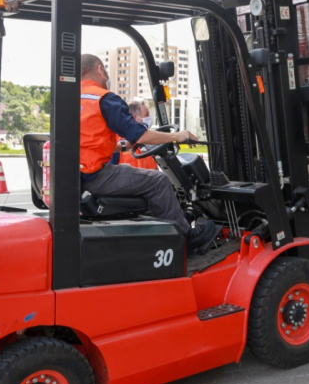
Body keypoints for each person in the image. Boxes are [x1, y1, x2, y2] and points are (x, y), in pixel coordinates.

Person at [79, 54, 217, 252]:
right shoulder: (104, 99)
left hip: (78, 175)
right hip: (94, 176)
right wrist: (176, 136)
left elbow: (87, 142)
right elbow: (141, 136)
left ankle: (164, 228)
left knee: (128, 170)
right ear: (100, 70)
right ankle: (186, 239)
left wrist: (124, 146)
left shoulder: (72, 98)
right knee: (157, 181)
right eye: (106, 73)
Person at [112, 99, 158, 170]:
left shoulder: (148, 140)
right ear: (133, 118)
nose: (149, 119)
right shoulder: (116, 143)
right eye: (146, 115)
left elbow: (154, 167)